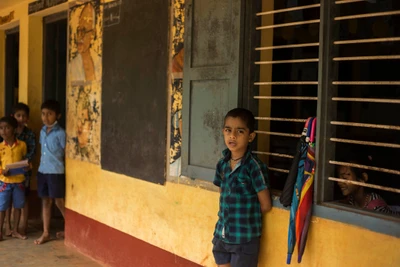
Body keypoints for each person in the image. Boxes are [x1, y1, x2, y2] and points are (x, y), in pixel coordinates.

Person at [212, 108, 272, 267]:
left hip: (244, 239)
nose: (232, 136)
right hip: (221, 235)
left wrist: (243, 215)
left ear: (250, 136)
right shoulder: (222, 164)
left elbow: (265, 205)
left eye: (239, 131)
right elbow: (222, 194)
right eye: (228, 130)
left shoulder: (254, 167)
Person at [34, 100, 66, 245]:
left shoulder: (61, 133)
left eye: (50, 114)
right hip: (43, 171)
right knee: (46, 201)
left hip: (55, 172)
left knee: (59, 201)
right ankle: (46, 232)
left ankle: (71, 228)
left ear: (57, 115)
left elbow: (66, 152)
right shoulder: (42, 131)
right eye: (43, 114)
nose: (46, 117)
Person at [4, 103, 36, 236]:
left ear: (27, 118)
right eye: (18, 115)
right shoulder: (7, 131)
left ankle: (24, 225)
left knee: (24, 198)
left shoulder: (30, 134)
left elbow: (32, 152)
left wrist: (22, 163)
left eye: (24, 116)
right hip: (8, 172)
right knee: (7, 198)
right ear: (13, 116)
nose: (21, 118)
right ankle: (8, 226)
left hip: (24, 172)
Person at [0, 116, 28, 241]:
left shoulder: (22, 145)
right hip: (5, 182)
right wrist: (2, 172)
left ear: (14, 130)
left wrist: (26, 167)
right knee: (2, 207)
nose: (3, 131)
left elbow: (23, 160)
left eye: (7, 128)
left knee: (18, 206)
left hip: (19, 182)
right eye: (1, 128)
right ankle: (0, 231)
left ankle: (15, 230)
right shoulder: (0, 147)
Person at [69, 2, 101, 84]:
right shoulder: (72, 65)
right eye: (79, 30)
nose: (80, 36)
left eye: (84, 31)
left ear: (93, 34)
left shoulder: (100, 63)